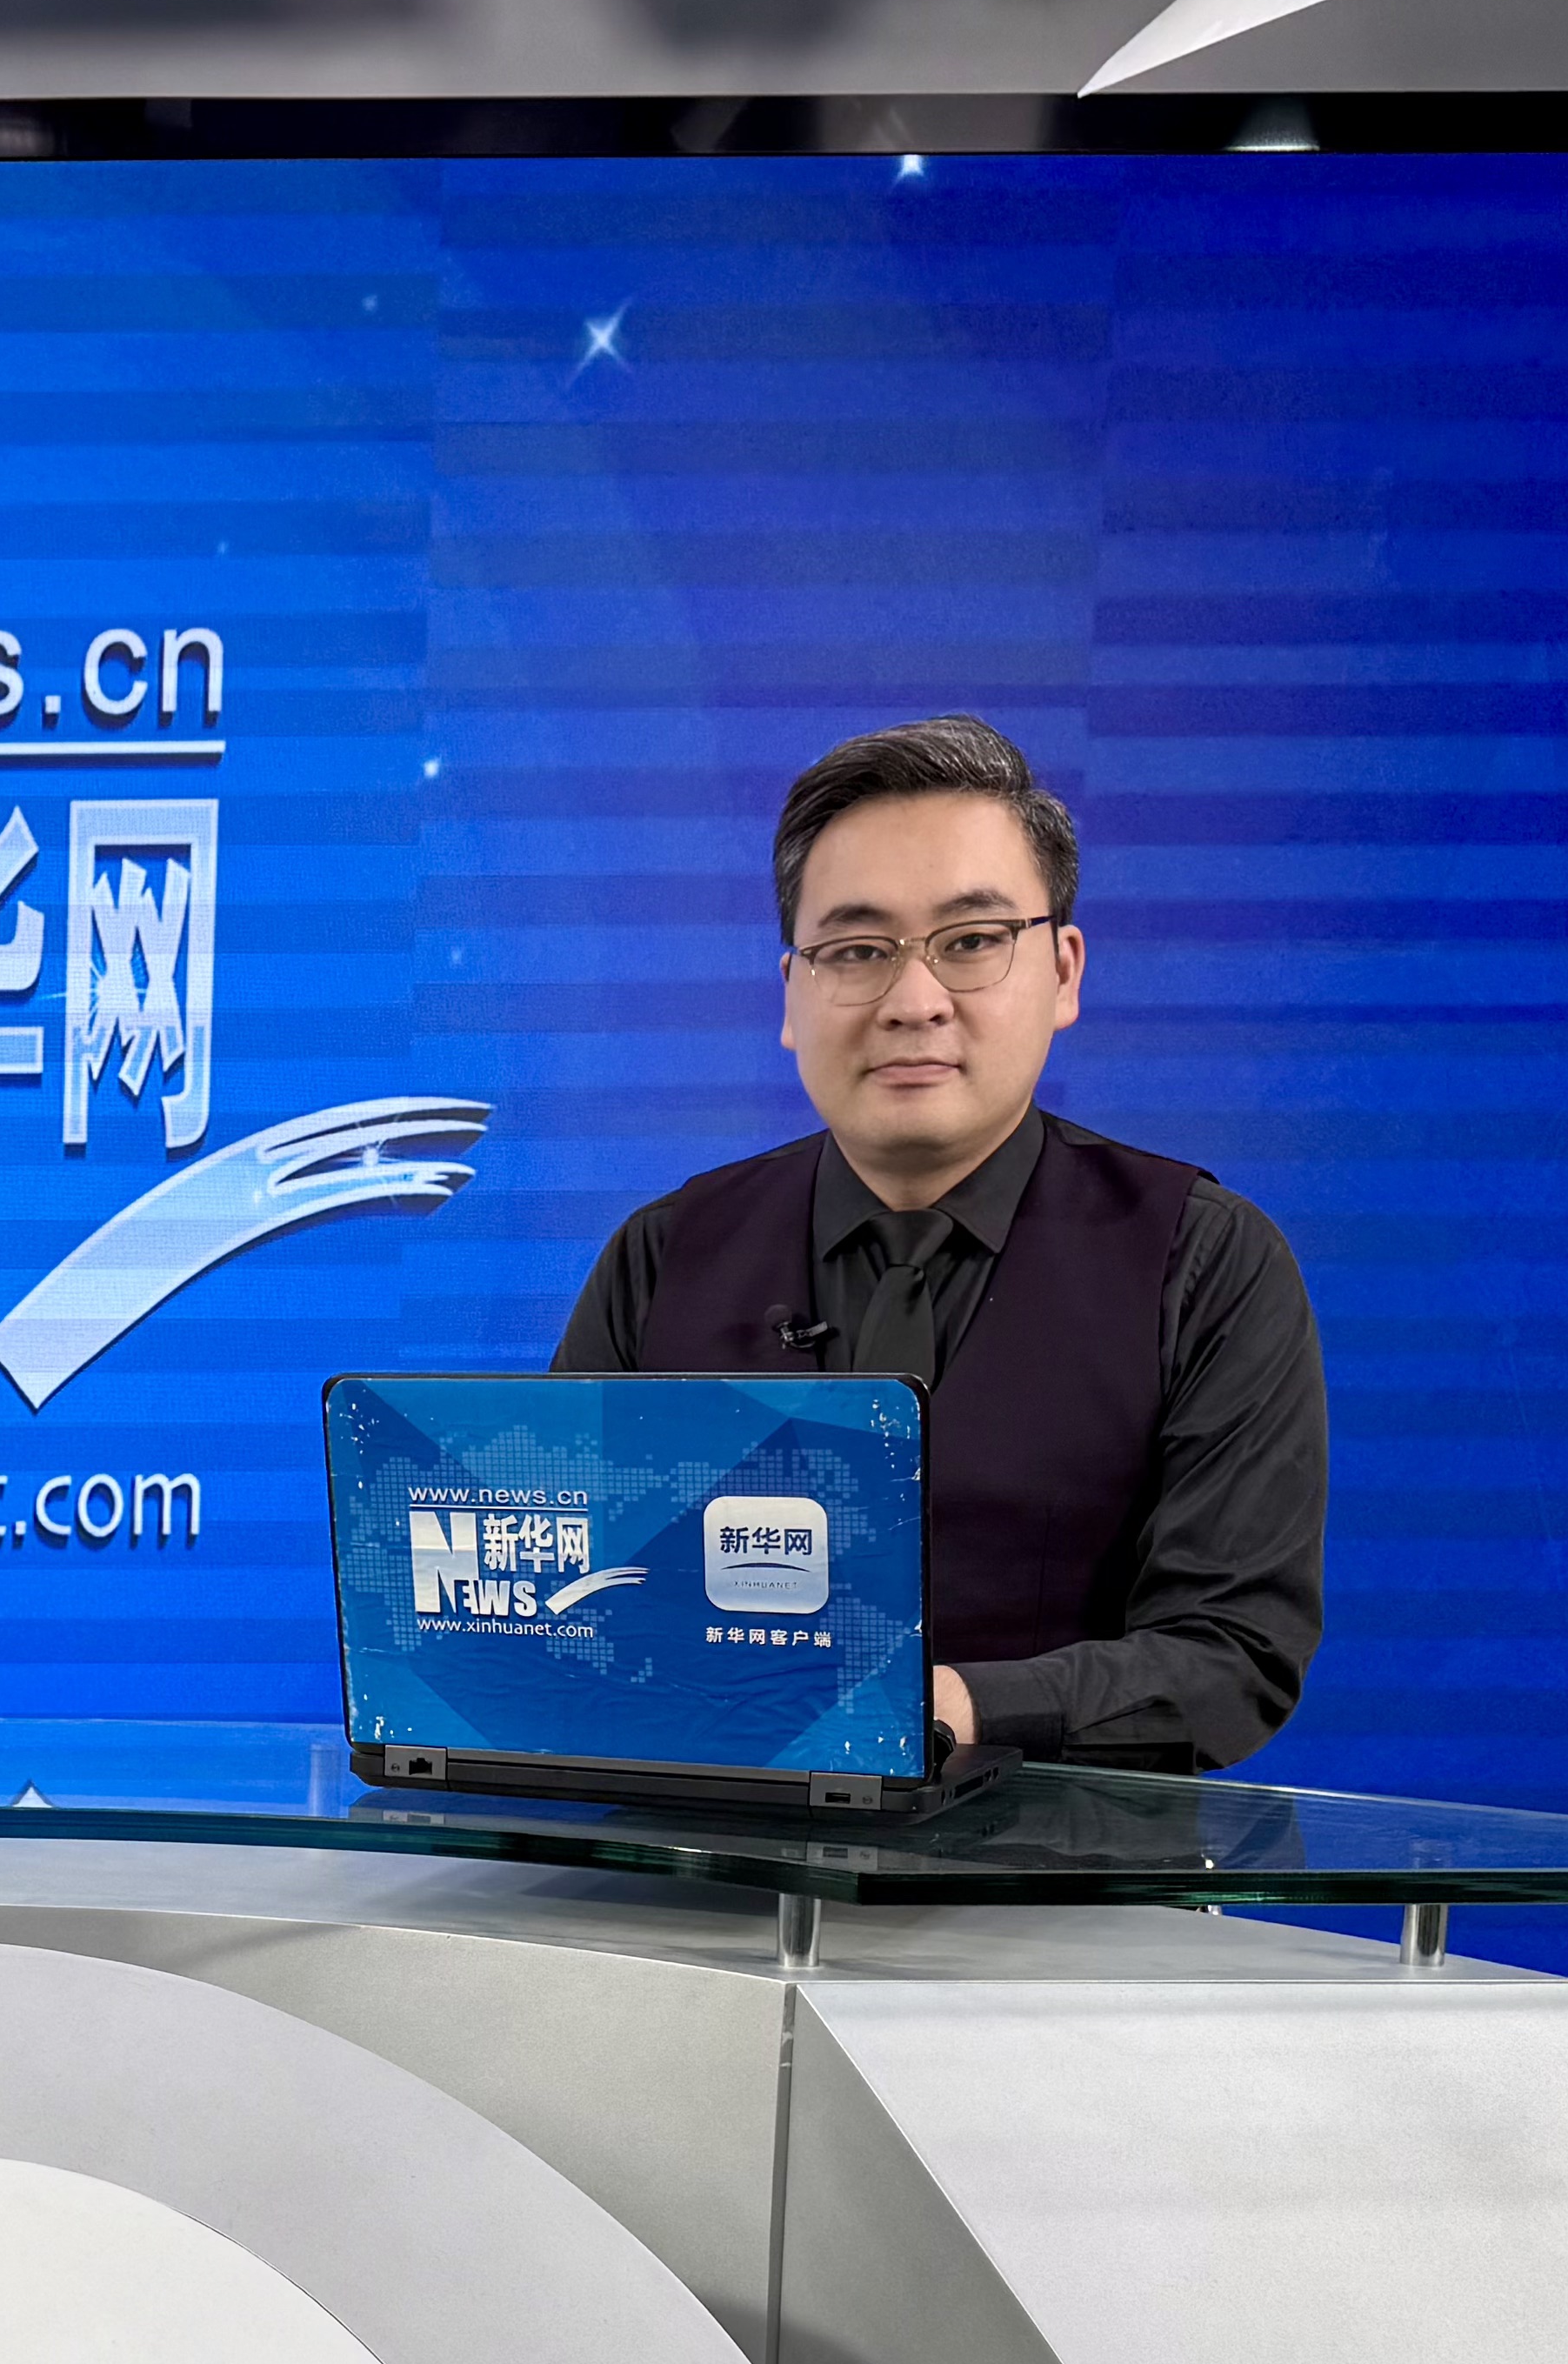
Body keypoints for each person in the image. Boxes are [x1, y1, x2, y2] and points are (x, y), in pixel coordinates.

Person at [550, 715, 1324, 1773]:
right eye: (856, 952)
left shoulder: (1205, 1261)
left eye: (969, 942)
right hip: (696, 1855)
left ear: (1063, 971)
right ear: (790, 994)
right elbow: (564, 1608)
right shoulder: (661, 1255)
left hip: (1068, 1866)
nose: (914, 1002)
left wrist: (950, 1707)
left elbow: (1231, 1655)